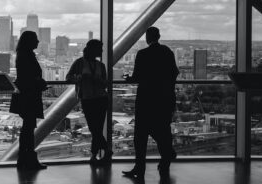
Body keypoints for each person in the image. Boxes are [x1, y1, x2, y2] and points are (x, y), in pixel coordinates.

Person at [122, 27, 179, 179]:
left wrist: (128, 79)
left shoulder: (143, 54)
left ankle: (140, 168)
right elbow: (175, 73)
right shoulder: (167, 52)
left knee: (140, 135)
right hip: (164, 99)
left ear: (147, 38)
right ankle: (166, 159)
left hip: (146, 100)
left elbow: (137, 77)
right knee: (163, 129)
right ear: (159, 36)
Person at [65, 39, 110, 166]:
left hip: (100, 99)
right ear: (92, 49)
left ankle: (94, 156)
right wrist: (80, 78)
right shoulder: (79, 63)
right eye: (99, 49)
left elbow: (105, 83)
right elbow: (68, 77)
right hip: (89, 99)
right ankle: (105, 150)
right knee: (94, 128)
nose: (101, 51)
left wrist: (97, 79)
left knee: (97, 129)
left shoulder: (101, 65)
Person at [10, 31, 48, 170]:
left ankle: (24, 159)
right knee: (28, 129)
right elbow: (29, 77)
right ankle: (28, 159)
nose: (38, 42)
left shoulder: (22, 55)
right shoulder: (27, 55)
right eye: (36, 40)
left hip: (25, 96)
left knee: (27, 129)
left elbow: (25, 76)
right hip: (29, 96)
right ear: (29, 41)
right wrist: (40, 83)